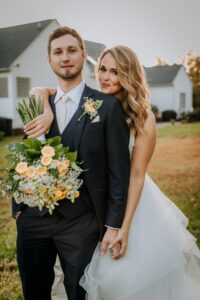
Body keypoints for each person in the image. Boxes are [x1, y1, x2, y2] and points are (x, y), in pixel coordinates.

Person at [25, 46, 200, 300]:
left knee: (126, 279)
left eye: (115, 72)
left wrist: (123, 228)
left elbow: (137, 174)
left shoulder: (142, 116)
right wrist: (46, 106)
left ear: (129, 75)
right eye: (103, 69)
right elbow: (41, 90)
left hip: (130, 204)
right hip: (90, 204)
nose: (105, 77)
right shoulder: (90, 102)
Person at [12, 27, 130, 300]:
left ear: (83, 55)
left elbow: (119, 172)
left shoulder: (107, 106)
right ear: (49, 60)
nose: (65, 57)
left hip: (81, 223)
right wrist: (18, 210)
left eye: (71, 50)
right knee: (34, 292)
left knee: (79, 293)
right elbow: (23, 156)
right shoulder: (38, 102)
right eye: (58, 52)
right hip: (33, 221)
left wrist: (112, 225)